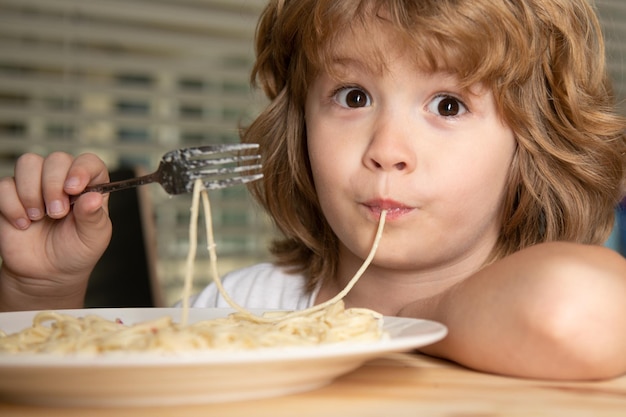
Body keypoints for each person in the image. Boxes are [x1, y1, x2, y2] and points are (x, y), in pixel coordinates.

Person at [1, 0, 625, 380]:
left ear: (534, 146)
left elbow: (575, 308)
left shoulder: (539, 303)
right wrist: (41, 291)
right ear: (299, 127)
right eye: (353, 97)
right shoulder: (242, 305)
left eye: (448, 104)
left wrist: (395, 324)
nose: (387, 148)